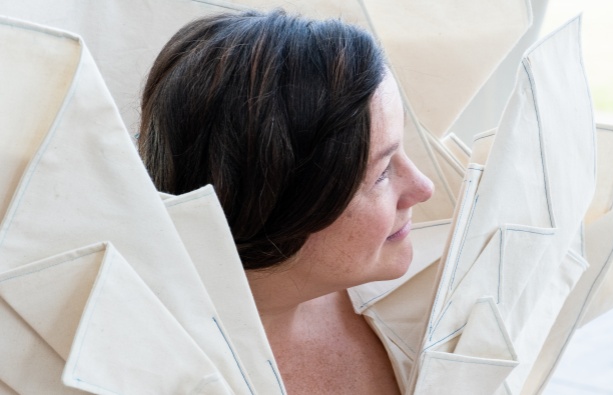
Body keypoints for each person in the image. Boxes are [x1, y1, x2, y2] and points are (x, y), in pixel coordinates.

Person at [138, 9, 433, 394]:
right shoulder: (139, 371)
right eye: (380, 173)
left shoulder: (433, 293)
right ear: (281, 202)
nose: (423, 187)